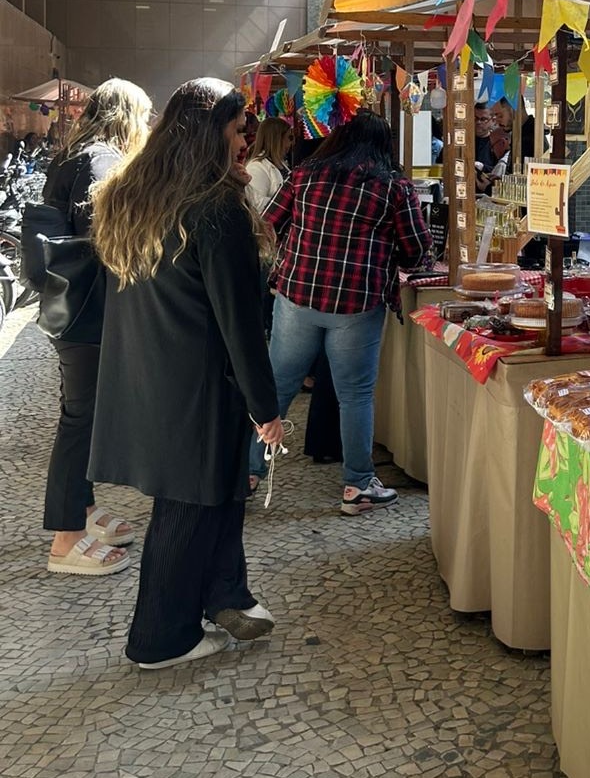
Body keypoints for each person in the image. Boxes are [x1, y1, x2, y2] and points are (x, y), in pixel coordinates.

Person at [89, 78, 285, 669]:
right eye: (236, 128)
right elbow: (239, 321)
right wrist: (267, 408)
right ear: (211, 134)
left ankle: (227, 596)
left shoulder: (133, 192)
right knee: (188, 506)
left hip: (150, 374)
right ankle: (160, 638)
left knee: (218, 496)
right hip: (200, 385)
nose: (245, 138)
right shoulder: (214, 205)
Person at [253, 110, 432, 514]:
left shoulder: (304, 174)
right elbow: (417, 251)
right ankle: (357, 486)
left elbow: (267, 223)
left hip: (297, 295)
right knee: (355, 396)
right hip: (356, 303)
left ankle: (248, 473)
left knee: (277, 387)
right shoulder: (394, 187)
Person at [42, 78, 153, 577]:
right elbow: (108, 245)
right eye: (144, 116)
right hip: (90, 313)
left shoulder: (72, 155)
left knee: (78, 415)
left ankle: (82, 512)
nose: (148, 126)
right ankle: (66, 541)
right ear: (127, 115)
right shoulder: (102, 161)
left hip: (68, 308)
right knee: (79, 422)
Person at [244, 116, 294, 213]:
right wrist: (288, 204)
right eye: (289, 138)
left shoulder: (280, 163)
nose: (291, 143)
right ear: (278, 139)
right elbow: (256, 203)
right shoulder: (256, 167)